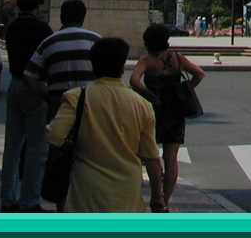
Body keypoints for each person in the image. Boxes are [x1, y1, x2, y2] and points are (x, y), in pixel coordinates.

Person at [48, 37, 165, 212]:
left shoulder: (75, 97)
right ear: (122, 66)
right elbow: (152, 159)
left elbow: (55, 137)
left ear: (93, 65)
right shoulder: (142, 105)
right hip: (127, 195)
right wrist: (157, 198)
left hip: (85, 193)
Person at [130, 24, 207, 210]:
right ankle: (165, 201)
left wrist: (149, 94)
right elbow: (199, 73)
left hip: (154, 111)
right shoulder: (176, 58)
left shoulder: (147, 61)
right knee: (171, 158)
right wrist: (185, 91)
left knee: (150, 155)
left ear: (147, 42)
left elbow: (134, 80)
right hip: (175, 110)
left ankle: (156, 196)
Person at [0, 0, 54, 213]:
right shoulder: (43, 29)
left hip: (14, 84)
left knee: (12, 146)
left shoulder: (11, 28)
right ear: (38, 5)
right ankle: (29, 200)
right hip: (35, 87)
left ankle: (7, 198)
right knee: (35, 148)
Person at [25, 0, 100, 122]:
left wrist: (47, 95)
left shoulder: (49, 42)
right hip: (90, 101)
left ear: (62, 17)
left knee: (57, 137)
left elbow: (29, 75)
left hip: (59, 102)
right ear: (83, 17)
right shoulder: (96, 40)